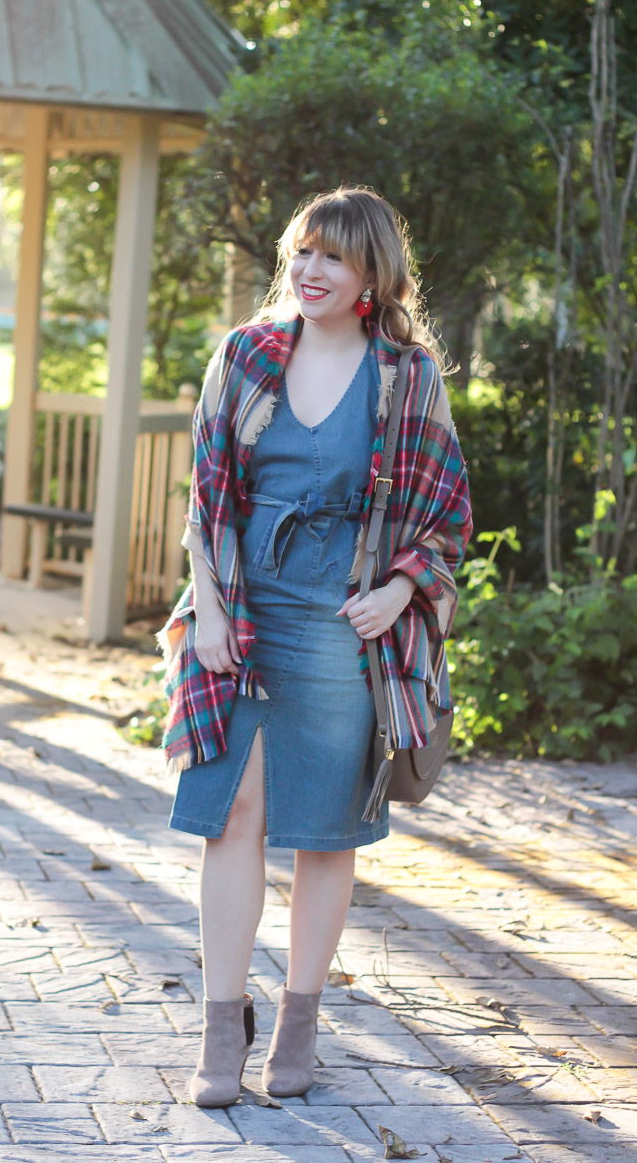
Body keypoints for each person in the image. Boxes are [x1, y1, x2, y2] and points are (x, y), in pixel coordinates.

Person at [158, 186, 472, 1107]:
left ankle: (298, 1022)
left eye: (332, 256)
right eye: (301, 251)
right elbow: (206, 494)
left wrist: (401, 587)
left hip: (342, 628)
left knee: (325, 837)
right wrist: (208, 611)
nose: (310, 270)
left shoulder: (407, 377)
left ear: (372, 273)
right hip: (244, 609)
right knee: (232, 816)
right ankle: (222, 1031)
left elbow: (447, 511)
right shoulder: (246, 355)